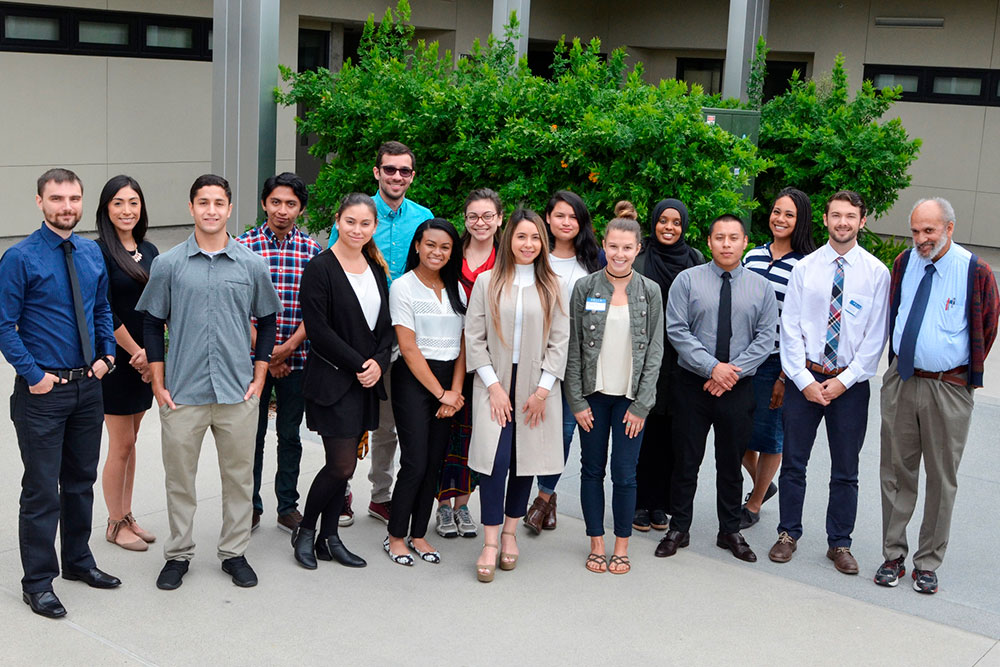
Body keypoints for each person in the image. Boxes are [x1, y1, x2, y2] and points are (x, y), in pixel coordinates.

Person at [137, 174, 281, 590]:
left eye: (219, 202)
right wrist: (158, 384)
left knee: (239, 478)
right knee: (179, 479)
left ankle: (234, 553)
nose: (211, 210)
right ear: (191, 208)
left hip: (238, 392)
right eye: (203, 202)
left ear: (230, 208)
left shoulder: (252, 264)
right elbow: (152, 323)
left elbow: (268, 320)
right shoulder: (168, 265)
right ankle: (178, 554)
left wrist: (259, 375)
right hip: (182, 392)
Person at [0, 168, 120, 618]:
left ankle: (78, 561)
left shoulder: (90, 252)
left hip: (88, 388)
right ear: (39, 202)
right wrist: (33, 375)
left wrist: (107, 355)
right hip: (42, 394)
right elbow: (3, 325)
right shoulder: (20, 257)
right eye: (56, 199)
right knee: (41, 491)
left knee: (79, 483)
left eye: (73, 198)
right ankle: (38, 582)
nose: (66, 206)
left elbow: (102, 307)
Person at [875, 197, 998, 594]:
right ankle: (892, 554)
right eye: (915, 231)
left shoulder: (975, 271)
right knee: (895, 472)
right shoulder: (904, 263)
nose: (920, 239)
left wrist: (961, 373)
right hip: (903, 381)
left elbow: (987, 325)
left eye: (929, 230)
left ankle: (927, 563)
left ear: (949, 228)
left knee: (941, 479)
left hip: (949, 388)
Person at [769, 190, 890, 575]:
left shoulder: (877, 273)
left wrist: (844, 381)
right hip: (805, 380)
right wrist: (804, 381)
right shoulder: (806, 269)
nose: (842, 222)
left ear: (862, 221)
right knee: (794, 464)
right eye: (836, 215)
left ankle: (839, 543)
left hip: (849, 387)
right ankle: (788, 533)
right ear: (824, 219)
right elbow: (789, 329)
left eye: (850, 216)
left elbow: (876, 337)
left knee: (846, 469)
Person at [660, 214, 777, 563]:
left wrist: (729, 373)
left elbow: (765, 338)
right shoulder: (687, 281)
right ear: (708, 242)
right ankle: (679, 527)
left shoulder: (761, 288)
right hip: (692, 385)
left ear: (745, 242)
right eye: (719, 237)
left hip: (738, 388)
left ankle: (730, 530)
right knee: (685, 460)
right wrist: (712, 368)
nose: (726, 244)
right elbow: (677, 330)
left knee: (730, 463)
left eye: (733, 238)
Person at [329, 141, 433, 526]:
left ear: (412, 176)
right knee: (349, 419)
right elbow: (334, 271)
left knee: (387, 423)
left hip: (401, 336)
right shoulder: (359, 214)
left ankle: (380, 494)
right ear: (377, 172)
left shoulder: (423, 217)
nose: (396, 177)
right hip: (356, 338)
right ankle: (340, 489)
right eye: (389, 169)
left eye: (404, 171)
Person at [465, 209, 569, 582]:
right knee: (495, 462)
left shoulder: (553, 285)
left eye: (535, 238)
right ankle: (490, 540)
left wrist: (543, 390)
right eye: (521, 237)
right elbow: (474, 338)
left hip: (535, 389)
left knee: (524, 461)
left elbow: (560, 342)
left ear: (543, 243)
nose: (528, 244)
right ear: (508, 239)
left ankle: (511, 533)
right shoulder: (487, 282)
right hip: (493, 385)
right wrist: (493, 386)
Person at [292, 193, 392, 570]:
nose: (357, 229)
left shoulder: (376, 269)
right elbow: (319, 330)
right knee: (341, 466)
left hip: (366, 382)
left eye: (365, 223)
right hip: (334, 382)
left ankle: (330, 538)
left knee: (345, 467)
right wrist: (360, 364)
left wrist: (379, 363)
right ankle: (305, 531)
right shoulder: (320, 267)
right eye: (350, 221)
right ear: (337, 220)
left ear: (374, 227)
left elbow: (385, 327)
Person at [565, 217, 664, 574]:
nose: (619, 254)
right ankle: (596, 542)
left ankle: (621, 545)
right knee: (591, 470)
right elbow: (573, 347)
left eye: (627, 247)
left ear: (638, 249)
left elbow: (655, 352)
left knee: (625, 473)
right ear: (603, 245)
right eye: (613, 246)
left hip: (630, 402)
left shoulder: (650, 291)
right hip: (593, 397)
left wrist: (642, 405)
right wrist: (575, 401)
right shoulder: (585, 287)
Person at [236, 172, 322, 534]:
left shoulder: (313, 251)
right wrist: (267, 352)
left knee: (290, 435)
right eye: (276, 202)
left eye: (290, 204)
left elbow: (316, 309)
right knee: (249, 437)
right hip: (251, 359)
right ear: (263, 203)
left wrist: (287, 349)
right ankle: (250, 506)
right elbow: (236, 306)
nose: (282, 210)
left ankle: (287, 505)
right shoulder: (241, 246)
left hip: (297, 357)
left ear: (301, 209)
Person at [385, 219, 467, 565]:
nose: (437, 252)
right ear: (417, 245)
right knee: (415, 462)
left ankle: (419, 534)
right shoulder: (403, 287)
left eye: (445, 247)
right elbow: (408, 348)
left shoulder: (457, 290)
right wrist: (441, 393)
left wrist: (456, 392)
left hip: (449, 380)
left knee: (434, 463)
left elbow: (464, 346)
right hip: (413, 380)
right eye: (430, 244)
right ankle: (395, 536)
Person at [524, 190, 603, 534]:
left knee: (564, 431)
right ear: (548, 219)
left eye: (573, 216)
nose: (566, 222)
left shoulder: (594, 260)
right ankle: (544, 500)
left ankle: (542, 497)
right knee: (531, 427)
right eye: (559, 215)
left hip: (578, 362)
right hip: (534, 356)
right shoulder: (534, 255)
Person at [739, 187, 816, 529]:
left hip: (777, 363)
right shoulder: (752, 255)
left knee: (770, 435)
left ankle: (754, 504)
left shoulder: (807, 265)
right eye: (776, 211)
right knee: (735, 432)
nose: (779, 219)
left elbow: (803, 325)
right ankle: (763, 484)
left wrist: (787, 376)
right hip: (742, 360)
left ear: (800, 222)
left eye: (789, 214)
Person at [94, 175, 160, 552]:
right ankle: (114, 523)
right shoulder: (97, 252)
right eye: (118, 203)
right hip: (117, 363)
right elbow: (102, 309)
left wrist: (154, 356)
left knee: (132, 443)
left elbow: (156, 306)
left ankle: (127, 513)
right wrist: (136, 353)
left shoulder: (149, 251)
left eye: (133, 202)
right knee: (120, 445)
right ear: (106, 208)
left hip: (146, 361)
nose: (126, 210)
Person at [632, 198, 704, 533]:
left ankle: (662, 504)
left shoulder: (695, 261)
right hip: (643, 359)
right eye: (663, 220)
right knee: (642, 432)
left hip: (682, 362)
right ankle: (638, 503)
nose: (669, 227)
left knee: (674, 435)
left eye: (676, 222)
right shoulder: (640, 256)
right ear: (653, 222)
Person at [435, 188, 502, 539]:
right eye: (474, 216)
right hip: (446, 356)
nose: (480, 222)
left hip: (490, 362)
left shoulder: (506, 259)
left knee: (474, 437)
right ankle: (442, 506)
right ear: (465, 219)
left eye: (487, 216)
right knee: (445, 435)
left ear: (499, 219)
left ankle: (463, 504)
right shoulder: (449, 253)